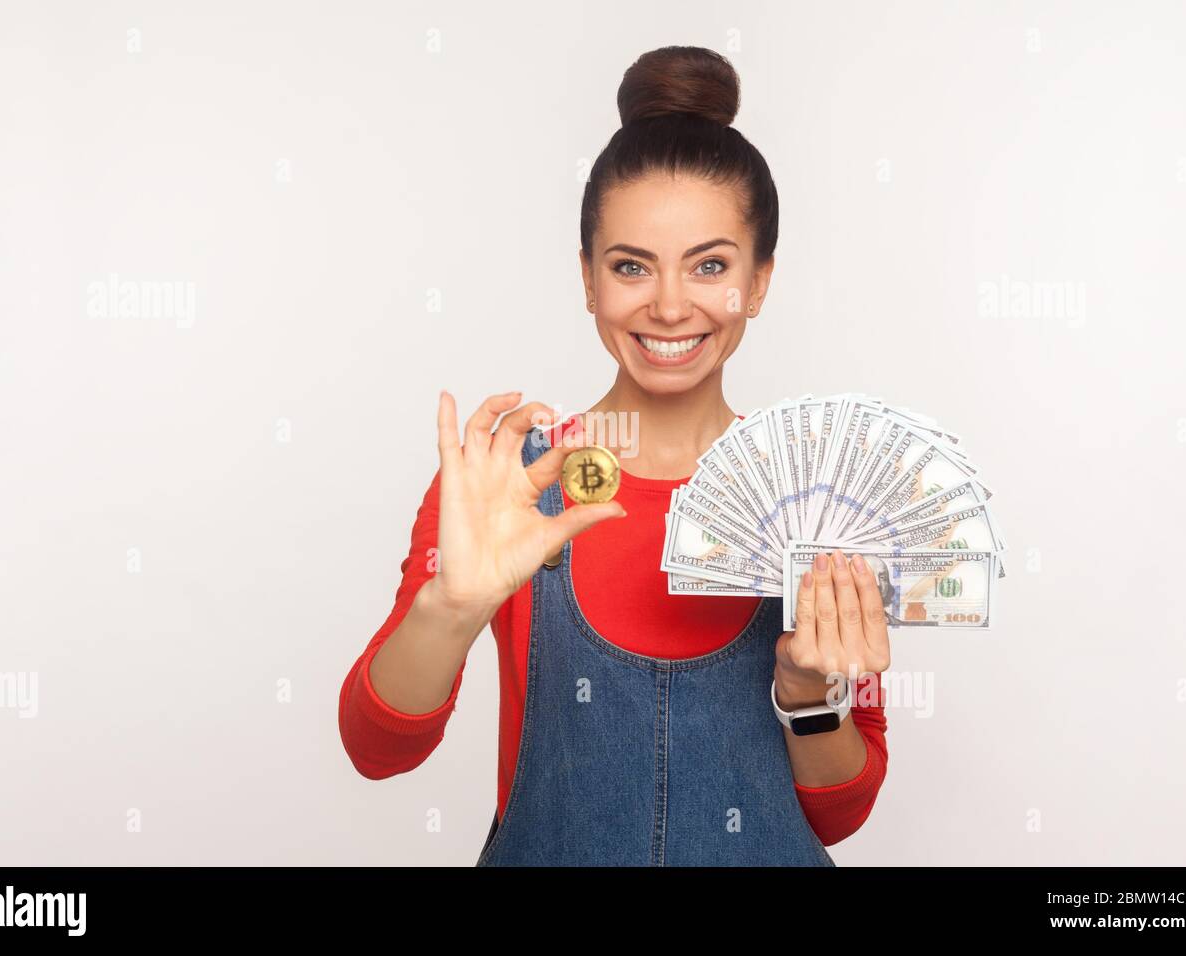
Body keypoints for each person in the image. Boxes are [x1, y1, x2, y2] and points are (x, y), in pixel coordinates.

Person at [339, 45, 890, 866]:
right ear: (589, 280)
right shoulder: (512, 484)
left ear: (762, 281)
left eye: (710, 265)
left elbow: (841, 815)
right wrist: (452, 607)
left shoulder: (820, 502)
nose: (670, 307)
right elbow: (378, 751)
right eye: (631, 266)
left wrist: (809, 695)